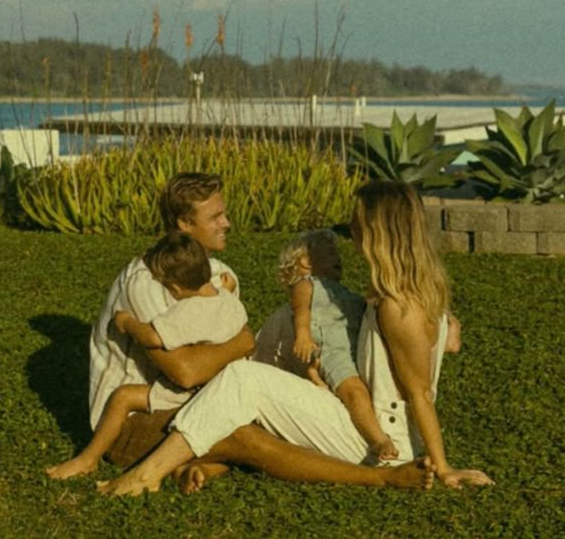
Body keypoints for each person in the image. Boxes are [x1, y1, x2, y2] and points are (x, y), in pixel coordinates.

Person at [97, 181, 494, 496]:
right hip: (366, 419)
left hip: (380, 439)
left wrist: (443, 467)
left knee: (244, 380)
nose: (351, 231)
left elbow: (420, 394)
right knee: (256, 385)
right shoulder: (412, 294)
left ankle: (148, 473)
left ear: (378, 230)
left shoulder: (398, 307)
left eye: (357, 223)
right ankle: (197, 464)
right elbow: (440, 343)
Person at [47, 232, 248, 479]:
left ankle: (88, 458)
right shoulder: (230, 302)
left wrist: (127, 322)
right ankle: (206, 467)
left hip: (190, 391)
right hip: (218, 383)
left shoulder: (188, 312)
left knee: (123, 397)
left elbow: (153, 336)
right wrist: (226, 289)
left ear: (175, 288)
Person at [88, 172, 255, 466]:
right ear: (185, 224)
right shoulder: (146, 282)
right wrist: (242, 342)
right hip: (131, 422)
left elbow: (223, 360)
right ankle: (361, 477)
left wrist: (236, 347)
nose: (226, 223)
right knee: (246, 435)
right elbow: (186, 372)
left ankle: (197, 467)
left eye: (224, 214)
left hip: (193, 400)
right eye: (215, 217)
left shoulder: (220, 275)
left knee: (266, 411)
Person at [277, 228, 397, 462]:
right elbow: (301, 307)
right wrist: (303, 333)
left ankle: (320, 383)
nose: (338, 259)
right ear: (305, 261)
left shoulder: (342, 292)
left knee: (370, 389)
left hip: (358, 348)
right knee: (355, 391)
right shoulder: (308, 284)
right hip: (334, 350)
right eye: (331, 253)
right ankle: (378, 440)